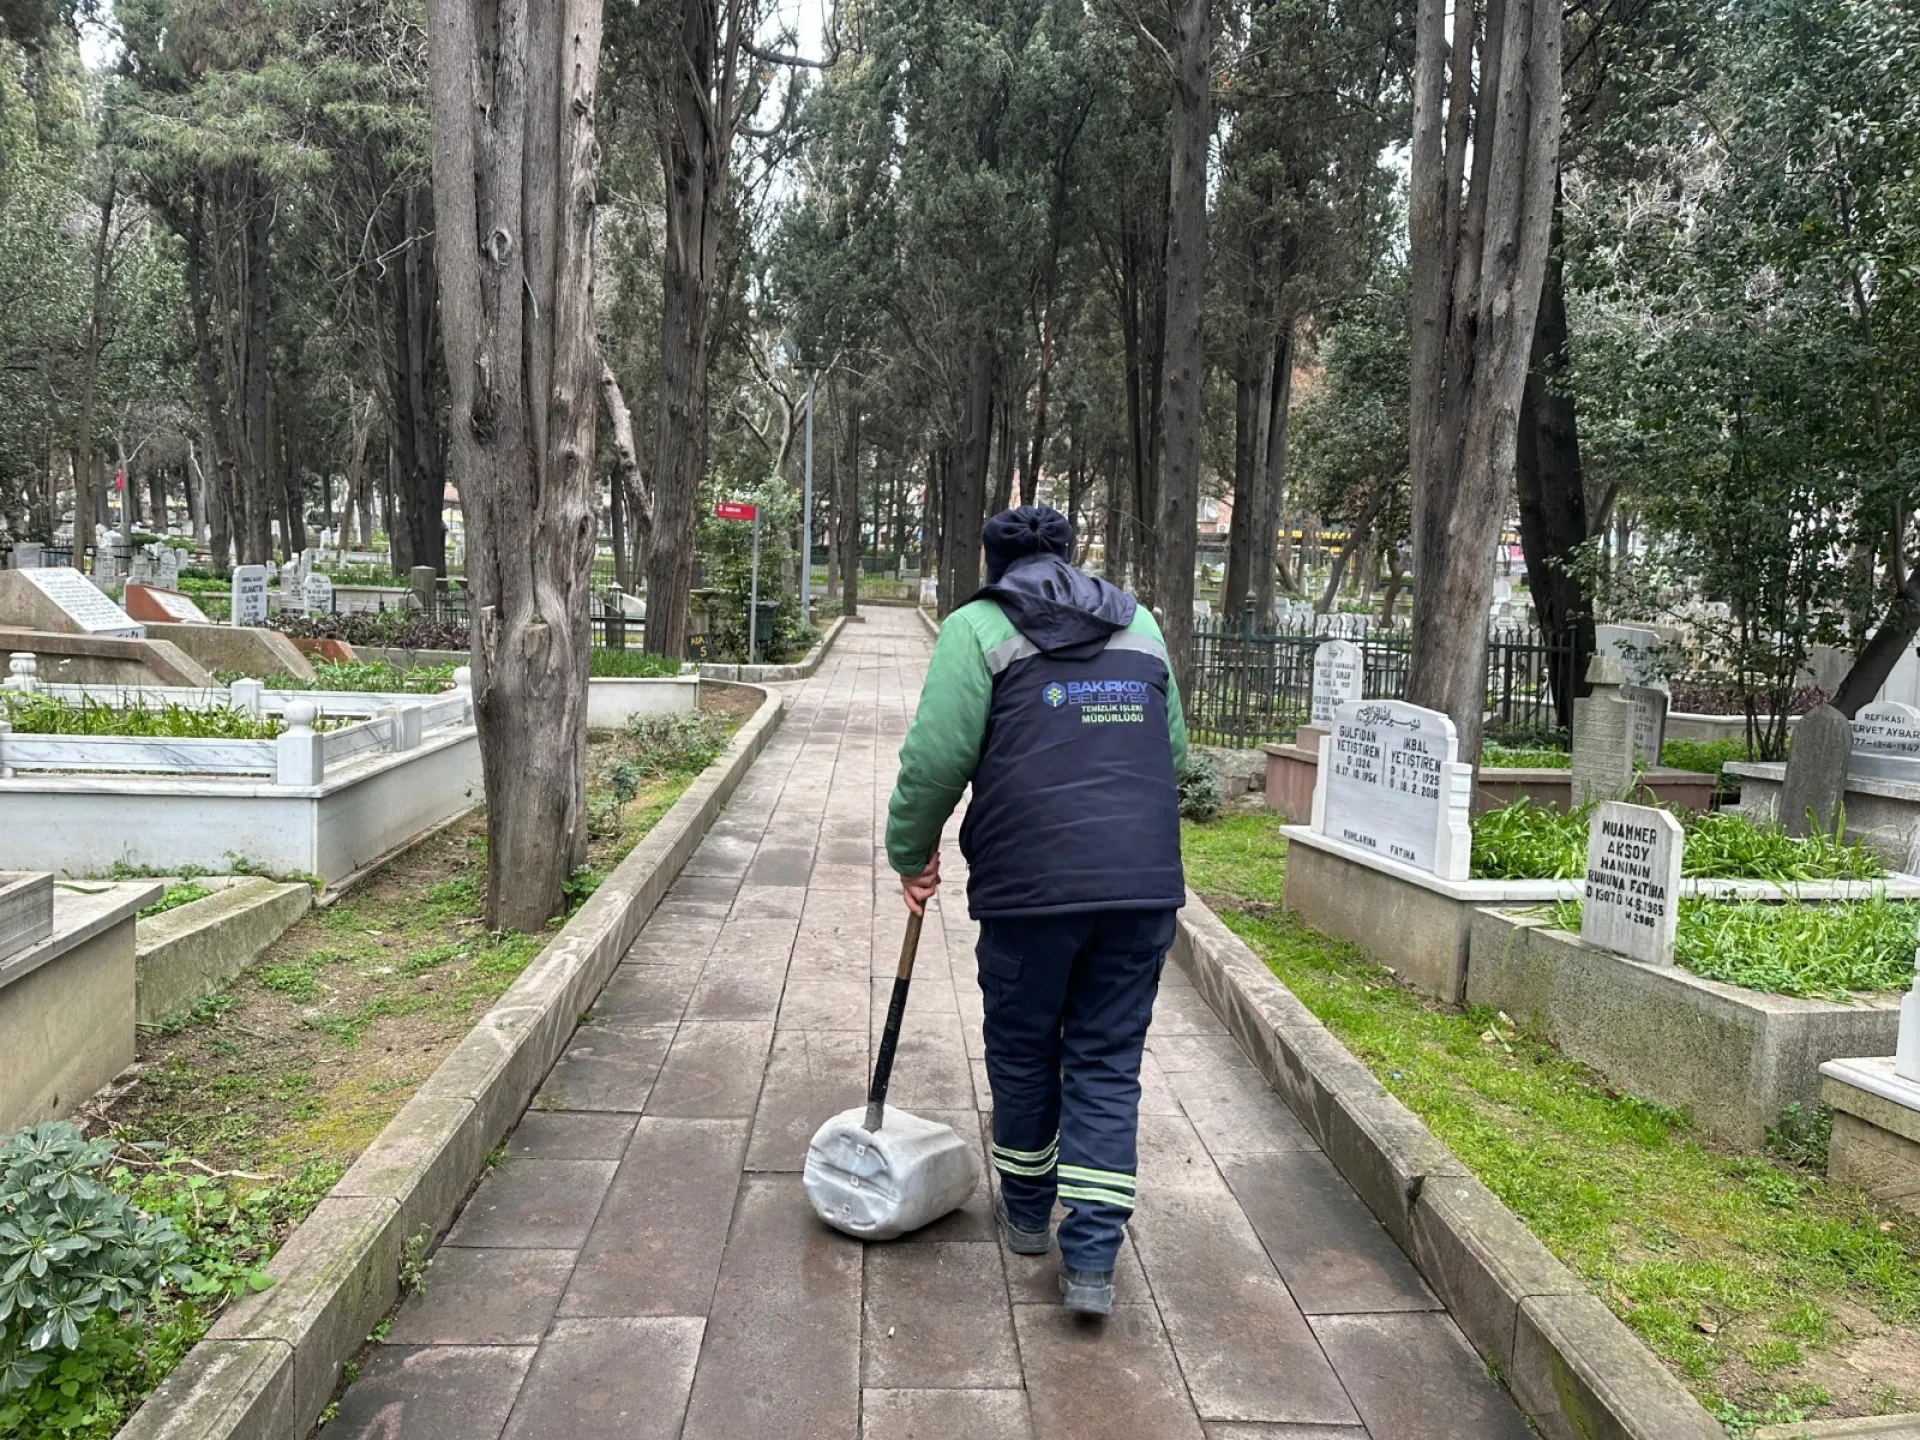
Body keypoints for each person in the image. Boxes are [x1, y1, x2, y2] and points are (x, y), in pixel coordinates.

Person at [886, 505, 1187, 1316]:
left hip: (1030, 893)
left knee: (1022, 1049)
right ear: (1067, 555)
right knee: (1105, 1060)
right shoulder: (1140, 625)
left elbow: (936, 758)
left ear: (993, 561)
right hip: (1140, 889)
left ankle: (1025, 1216)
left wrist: (910, 853)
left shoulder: (978, 627)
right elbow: (1177, 755)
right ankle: (1091, 1260)